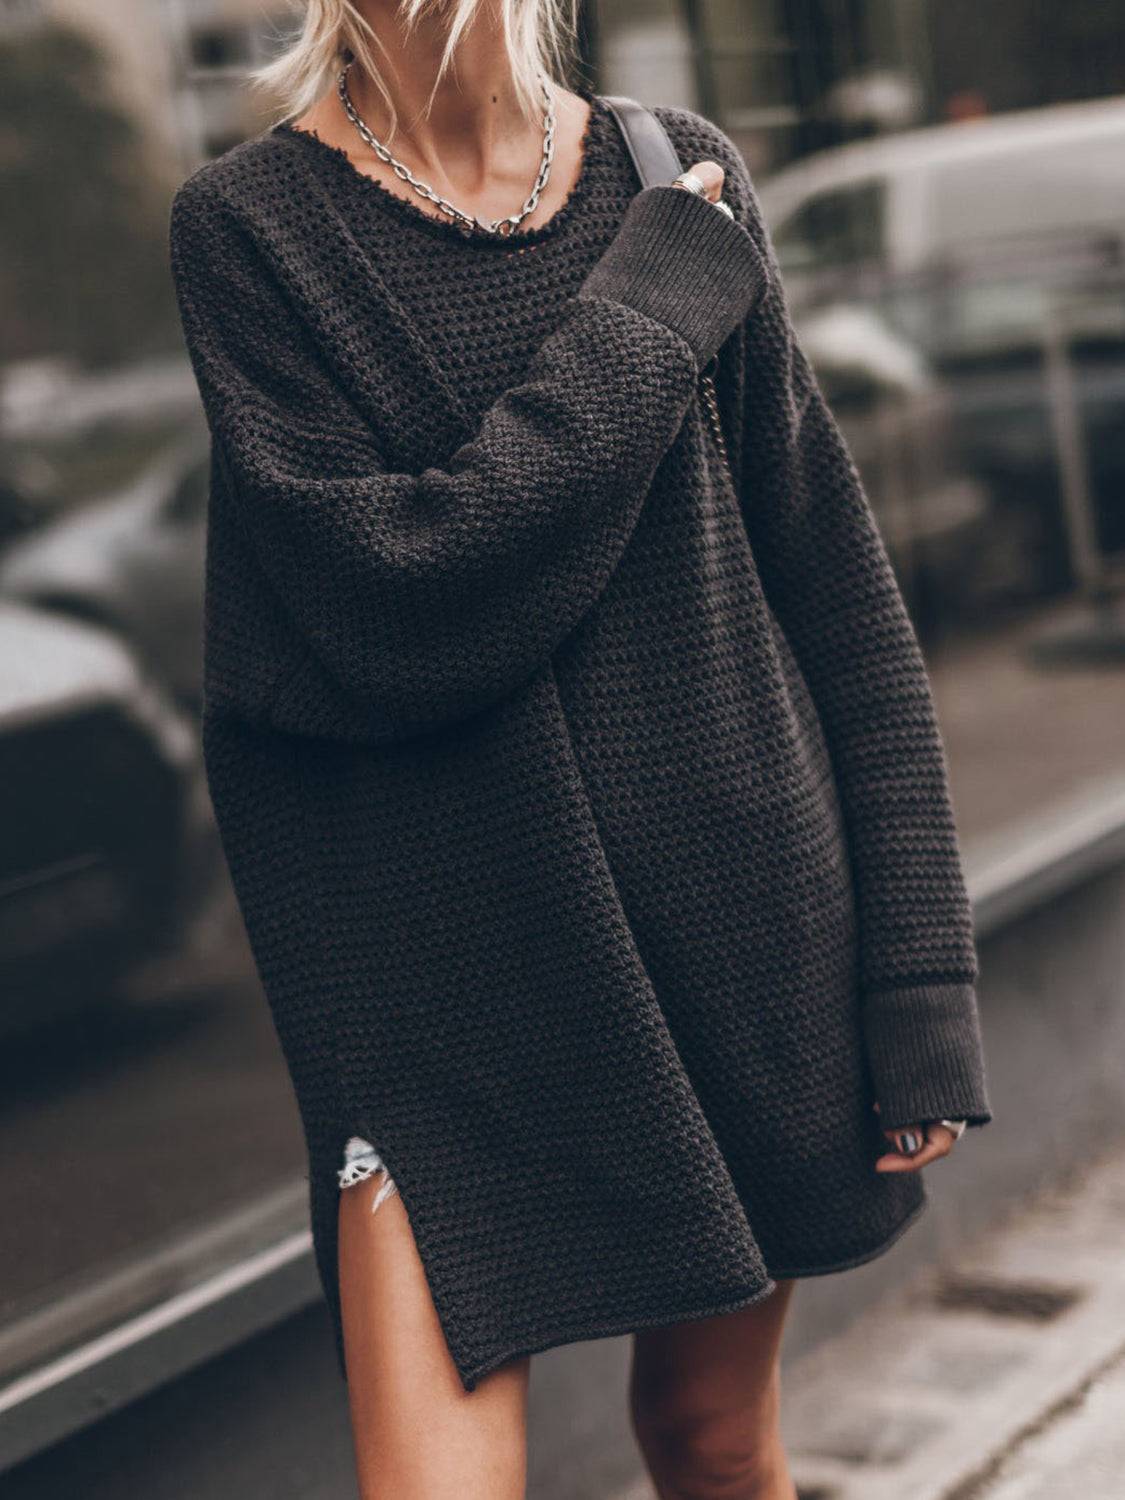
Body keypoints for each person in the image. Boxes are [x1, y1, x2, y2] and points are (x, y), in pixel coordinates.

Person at [168, 0, 993, 1494]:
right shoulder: (251, 231)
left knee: (710, 1443)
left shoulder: (675, 175)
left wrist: (920, 976)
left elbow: (839, 604)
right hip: (440, 994)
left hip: (737, 940)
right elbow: (398, 596)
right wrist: (646, 320)